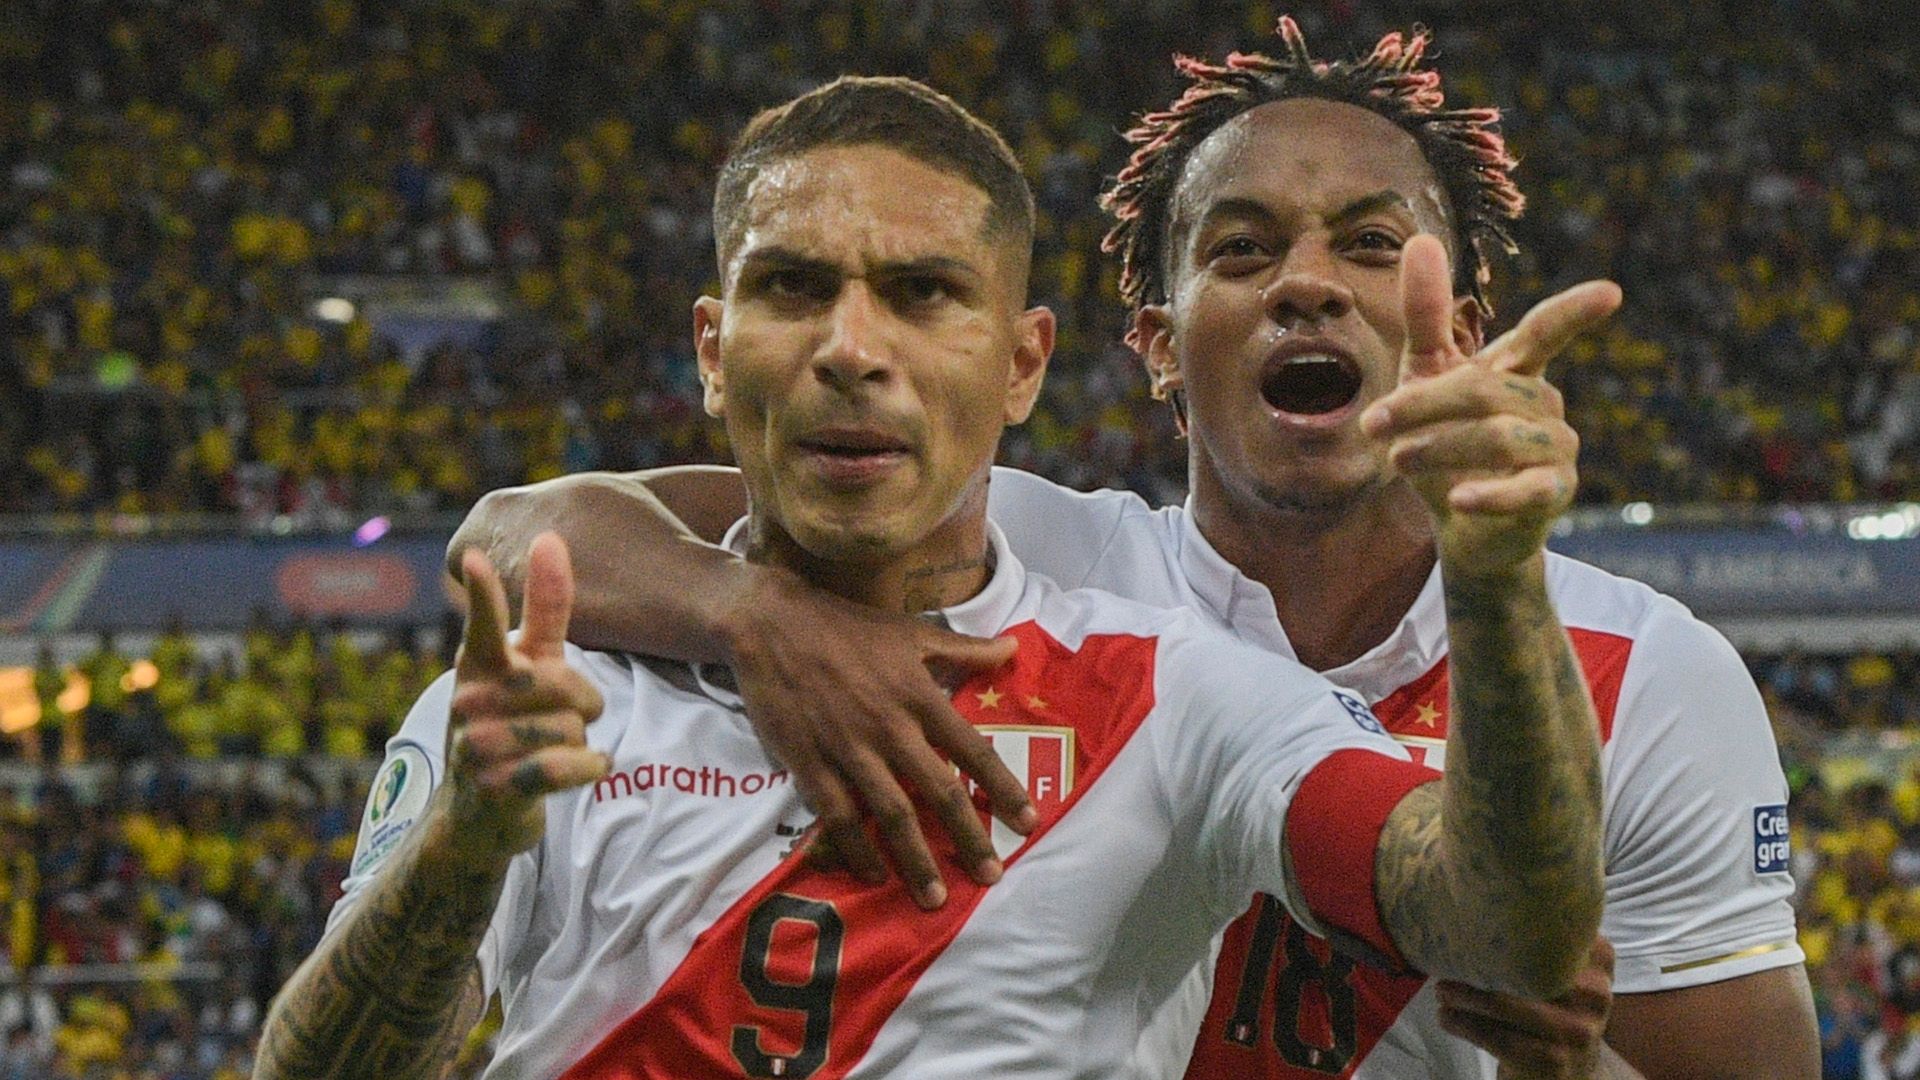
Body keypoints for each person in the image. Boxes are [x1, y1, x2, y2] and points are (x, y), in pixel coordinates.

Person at [455, 18, 1819, 1079]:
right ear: (1159, 346)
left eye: (1367, 244)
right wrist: (760, 616)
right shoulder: (1040, 563)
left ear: (1453, 327)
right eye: (1240, 251)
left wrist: (1565, 1057)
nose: (1305, 281)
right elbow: (518, 537)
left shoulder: (1644, 675)